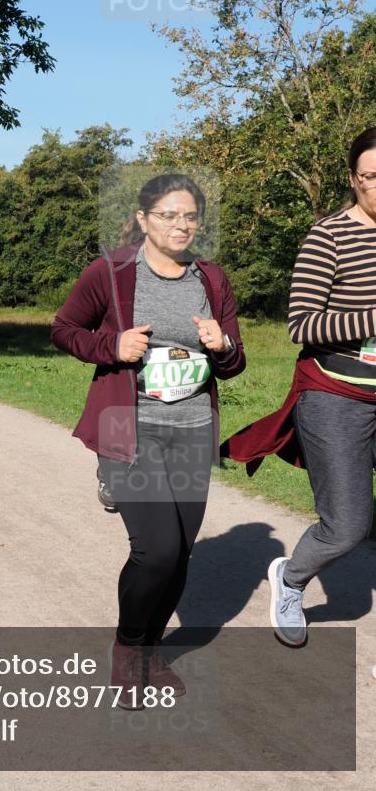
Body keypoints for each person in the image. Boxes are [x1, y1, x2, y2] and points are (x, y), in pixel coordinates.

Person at [51, 173, 246, 709]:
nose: (181, 225)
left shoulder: (211, 277)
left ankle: (152, 650)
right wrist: (112, 345)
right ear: (143, 219)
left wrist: (223, 344)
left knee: (180, 554)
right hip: (123, 421)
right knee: (156, 551)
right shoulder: (111, 273)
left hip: (191, 427)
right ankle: (127, 651)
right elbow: (65, 329)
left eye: (189, 216)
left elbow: (234, 361)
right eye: (168, 215)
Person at [221, 127, 376, 648]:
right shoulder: (328, 235)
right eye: (371, 177)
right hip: (336, 394)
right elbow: (302, 325)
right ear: (354, 180)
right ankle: (289, 578)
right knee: (348, 526)